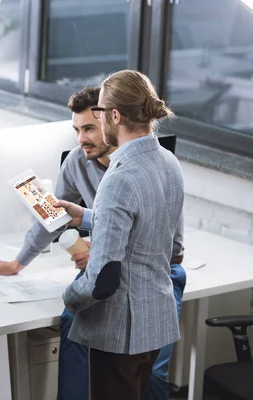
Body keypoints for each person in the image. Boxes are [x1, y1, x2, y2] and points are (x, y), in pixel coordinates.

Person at [0, 86, 186, 400]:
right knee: (73, 326)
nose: (81, 139)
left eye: (89, 128)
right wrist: (18, 262)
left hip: (152, 273)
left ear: (110, 121)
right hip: (109, 268)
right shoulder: (77, 162)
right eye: (76, 130)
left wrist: (106, 253)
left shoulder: (144, 169)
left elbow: (170, 247)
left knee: (151, 374)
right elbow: (53, 216)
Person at [54, 70, 184, 400]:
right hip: (155, 321)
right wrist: (84, 216)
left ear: (114, 115)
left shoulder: (119, 177)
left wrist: (71, 297)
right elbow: (156, 231)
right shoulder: (168, 162)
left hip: (120, 332)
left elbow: (103, 279)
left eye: (99, 112)